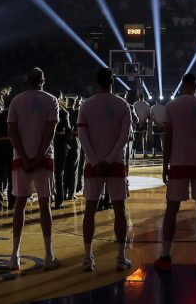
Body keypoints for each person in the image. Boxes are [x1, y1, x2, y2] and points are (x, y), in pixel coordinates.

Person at [154, 74, 196, 273]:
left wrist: (165, 165)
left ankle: (165, 256)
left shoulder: (172, 107)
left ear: (182, 86)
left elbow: (168, 139)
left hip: (179, 163)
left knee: (171, 210)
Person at [77, 68, 133, 272]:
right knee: (120, 210)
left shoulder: (86, 104)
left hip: (93, 164)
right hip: (115, 163)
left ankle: (87, 258)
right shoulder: (122, 105)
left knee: (90, 210)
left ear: (96, 82)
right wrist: (109, 159)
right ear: (113, 82)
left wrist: (94, 159)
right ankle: (120, 257)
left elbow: (82, 135)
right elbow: (124, 136)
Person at [7, 68, 60, 270]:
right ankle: (48, 255)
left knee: (19, 205)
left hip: (21, 159)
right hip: (44, 159)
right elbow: (50, 131)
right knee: (44, 205)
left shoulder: (16, 101)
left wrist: (25, 156)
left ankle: (15, 255)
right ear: (43, 81)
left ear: (27, 81)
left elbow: (12, 131)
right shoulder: (51, 100)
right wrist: (38, 157)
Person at [53, 95, 72, 209]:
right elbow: (69, 133)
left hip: (46, 145)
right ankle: (59, 202)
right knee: (59, 174)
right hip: (59, 146)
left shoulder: (45, 110)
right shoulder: (64, 113)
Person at [132, 93, 151, 158]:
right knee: (144, 138)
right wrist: (143, 121)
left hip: (137, 122)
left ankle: (133, 154)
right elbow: (147, 113)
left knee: (135, 138)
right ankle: (145, 154)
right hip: (144, 122)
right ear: (144, 97)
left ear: (138, 97)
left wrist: (139, 121)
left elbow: (135, 113)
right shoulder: (147, 104)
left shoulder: (135, 104)